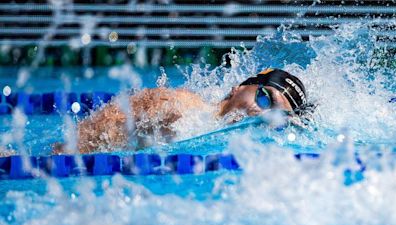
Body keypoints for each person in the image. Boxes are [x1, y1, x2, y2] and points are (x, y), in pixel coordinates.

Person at [54, 68, 310, 154]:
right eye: (264, 98)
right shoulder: (179, 105)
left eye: (275, 115)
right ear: (238, 87)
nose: (260, 113)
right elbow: (90, 137)